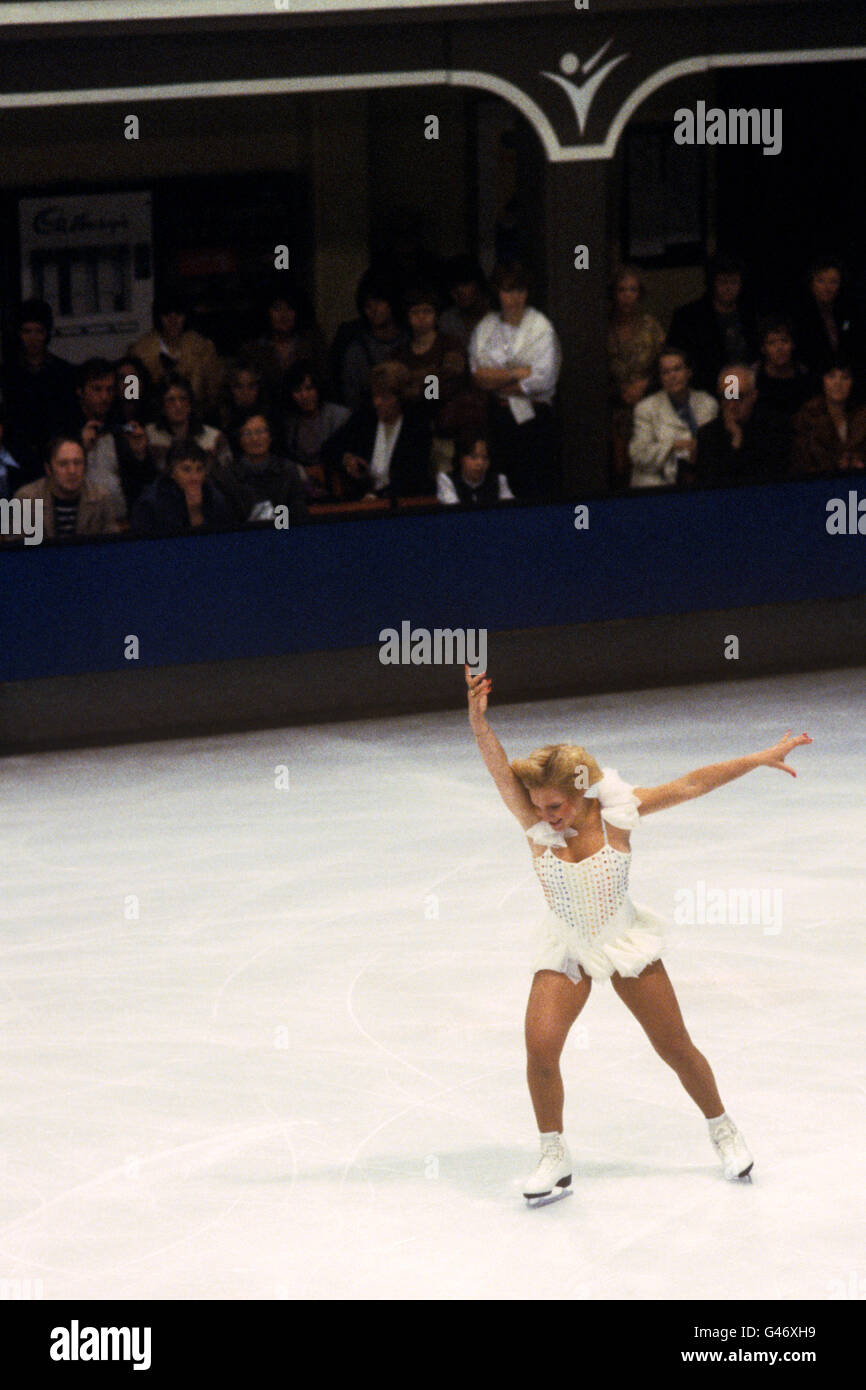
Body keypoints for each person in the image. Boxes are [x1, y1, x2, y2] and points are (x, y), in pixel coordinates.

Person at [465, 664, 812, 1201]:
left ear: (580, 793)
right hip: (566, 946)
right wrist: (478, 720)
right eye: (537, 806)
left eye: (554, 805)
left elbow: (691, 783)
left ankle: (723, 1129)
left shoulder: (619, 813)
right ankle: (554, 1155)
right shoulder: (535, 820)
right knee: (539, 1050)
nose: (545, 816)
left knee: (674, 1047)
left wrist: (757, 758)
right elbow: (496, 769)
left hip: (622, 940)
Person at [469, 260, 562, 500]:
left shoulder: (540, 327)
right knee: (502, 487)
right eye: (508, 290)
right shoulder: (486, 326)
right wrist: (515, 373)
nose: (515, 297)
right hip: (498, 417)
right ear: (497, 293)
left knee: (535, 488)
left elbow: (544, 379)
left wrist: (498, 382)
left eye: (520, 290)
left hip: (535, 419)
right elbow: (479, 376)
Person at [321, 361, 432, 502]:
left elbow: (413, 479)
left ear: (401, 398)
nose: (377, 402)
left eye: (384, 397)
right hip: (359, 503)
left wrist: (376, 497)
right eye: (375, 395)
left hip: (402, 506)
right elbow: (327, 448)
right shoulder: (365, 417)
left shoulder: (416, 426)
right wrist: (346, 458)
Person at [0, 299, 77, 484]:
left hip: (55, 455)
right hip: (16, 458)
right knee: (23, 509)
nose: (32, 338)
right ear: (18, 334)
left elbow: (68, 417)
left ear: (46, 333)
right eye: (27, 331)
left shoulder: (63, 372)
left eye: (38, 331)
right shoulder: (7, 374)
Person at [71, 357, 156, 522]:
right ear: (80, 391)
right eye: (97, 389)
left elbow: (144, 484)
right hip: (79, 523)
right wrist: (80, 448)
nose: (105, 397)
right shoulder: (64, 429)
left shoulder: (121, 426)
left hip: (121, 521)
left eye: (109, 390)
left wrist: (140, 455)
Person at [628, 346, 717, 487]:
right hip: (655, 485)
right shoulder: (646, 408)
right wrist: (673, 445)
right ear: (660, 378)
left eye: (677, 369)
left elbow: (715, 447)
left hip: (699, 482)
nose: (672, 376)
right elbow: (638, 454)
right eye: (666, 372)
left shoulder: (708, 403)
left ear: (688, 372)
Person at [668, 253, 757, 394]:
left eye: (733, 282)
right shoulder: (688, 317)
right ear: (712, 283)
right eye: (723, 282)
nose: (728, 288)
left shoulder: (751, 314)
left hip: (747, 387)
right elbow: (678, 360)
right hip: (704, 391)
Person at [692, 363, 792, 486]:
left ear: (753, 396)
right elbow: (711, 484)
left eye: (739, 397)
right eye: (726, 397)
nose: (732, 405)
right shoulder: (708, 435)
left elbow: (770, 477)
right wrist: (735, 441)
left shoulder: (774, 428)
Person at [128, 287, 223, 417]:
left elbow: (214, 393)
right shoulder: (138, 352)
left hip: (196, 420)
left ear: (186, 315)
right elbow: (129, 396)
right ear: (158, 316)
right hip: (152, 422)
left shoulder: (204, 348)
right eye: (166, 313)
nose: (173, 319)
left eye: (178, 313)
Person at [8, 434, 117, 540]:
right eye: (63, 464)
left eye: (78, 463)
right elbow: (15, 552)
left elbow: (113, 548)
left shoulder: (102, 498)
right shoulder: (25, 500)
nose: (72, 471)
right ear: (48, 469)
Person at [241, 282, 329, 410]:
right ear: (266, 312)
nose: (284, 314)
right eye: (277, 308)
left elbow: (325, 385)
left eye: (290, 308)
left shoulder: (312, 344)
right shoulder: (252, 351)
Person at [330, 269, 407, 411]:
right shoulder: (356, 349)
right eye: (367, 305)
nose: (373, 309)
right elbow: (350, 399)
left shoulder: (410, 340)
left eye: (379, 302)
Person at [129, 439, 236, 537]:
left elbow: (220, 541)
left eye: (199, 469)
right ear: (172, 472)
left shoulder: (214, 496)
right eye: (186, 470)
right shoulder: (150, 502)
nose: (194, 477)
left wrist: (195, 513)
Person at [282, 360, 350, 501]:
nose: (304, 396)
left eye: (309, 388)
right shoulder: (289, 423)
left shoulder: (340, 416)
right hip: (303, 494)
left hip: (341, 489)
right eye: (297, 390)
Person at [224, 412, 308, 522]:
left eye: (260, 432)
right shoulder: (228, 475)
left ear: (270, 436)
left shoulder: (288, 470)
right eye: (247, 433)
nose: (254, 438)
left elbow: (298, 512)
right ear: (239, 439)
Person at [145, 373, 233, 474]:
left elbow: (228, 476)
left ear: (190, 403)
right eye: (171, 400)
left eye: (183, 399)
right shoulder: (149, 435)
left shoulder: (214, 438)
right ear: (162, 406)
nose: (178, 406)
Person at [792, 358, 866, 475]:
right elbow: (802, 461)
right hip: (820, 487)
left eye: (845, 377)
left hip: (857, 486)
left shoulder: (862, 415)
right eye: (831, 376)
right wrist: (834, 465)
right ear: (822, 380)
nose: (838, 383)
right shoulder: (807, 416)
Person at [793, 257, 860, 379]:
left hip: (845, 376)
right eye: (821, 281)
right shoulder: (800, 315)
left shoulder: (847, 311)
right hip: (811, 376)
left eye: (833, 282)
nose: (827, 288)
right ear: (811, 283)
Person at [607, 265, 664, 391]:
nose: (627, 295)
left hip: (649, 396)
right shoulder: (604, 328)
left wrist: (645, 384)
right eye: (621, 290)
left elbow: (664, 363)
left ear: (639, 294)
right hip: (610, 398)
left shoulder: (651, 326)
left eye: (633, 290)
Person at [752, 318, 813, 420]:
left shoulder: (805, 375)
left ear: (793, 344)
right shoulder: (752, 376)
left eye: (784, 341)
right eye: (772, 343)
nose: (779, 348)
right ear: (763, 348)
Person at [436, 432, 514, 506]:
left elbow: (509, 509)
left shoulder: (499, 480)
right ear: (461, 459)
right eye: (473, 457)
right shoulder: (446, 480)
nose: (480, 463)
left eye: (485, 458)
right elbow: (454, 512)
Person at [438, 255, 492, 345]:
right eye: (453, 287)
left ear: (478, 284)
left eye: (465, 284)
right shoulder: (448, 320)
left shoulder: (498, 314)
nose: (459, 291)